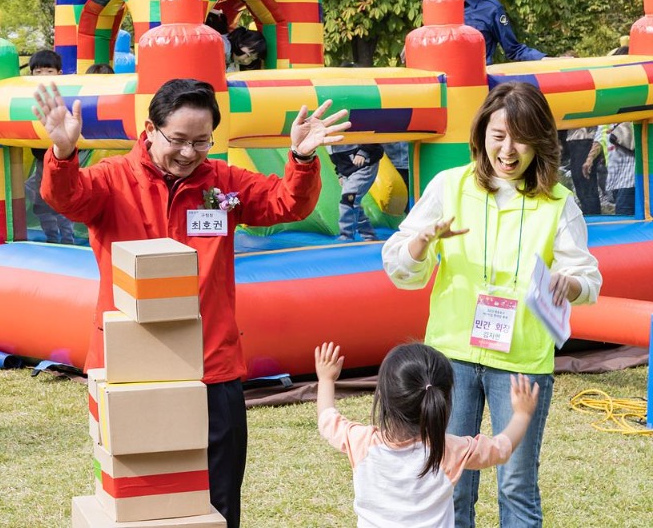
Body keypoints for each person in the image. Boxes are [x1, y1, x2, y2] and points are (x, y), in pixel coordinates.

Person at [32, 77, 350, 527]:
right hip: (129, 370)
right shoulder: (112, 180)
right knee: (142, 499)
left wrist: (300, 158)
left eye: (201, 142)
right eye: (177, 140)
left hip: (210, 366)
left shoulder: (222, 183)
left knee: (217, 498)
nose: (188, 153)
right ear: (149, 128)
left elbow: (286, 205)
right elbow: (65, 197)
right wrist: (63, 155)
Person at [382, 81, 602, 527]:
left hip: (522, 363)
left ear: (540, 141)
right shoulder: (449, 186)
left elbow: (588, 278)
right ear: (482, 132)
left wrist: (569, 284)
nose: (508, 149)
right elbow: (401, 270)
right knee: (452, 480)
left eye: (521, 137)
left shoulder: (560, 203)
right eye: (498, 135)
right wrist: (421, 244)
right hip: (451, 359)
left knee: (516, 484)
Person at [315, 341, 539, 528]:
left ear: (383, 397)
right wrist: (521, 415)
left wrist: (326, 379)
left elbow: (327, 419)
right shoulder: (449, 451)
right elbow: (501, 449)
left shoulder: (361, 442)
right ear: (443, 401)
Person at [25, 50, 76, 244]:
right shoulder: (28, 96)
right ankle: (52, 236)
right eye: (38, 72)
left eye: (49, 71)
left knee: (61, 199)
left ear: (59, 73)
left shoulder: (64, 96)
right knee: (40, 202)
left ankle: (68, 237)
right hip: (41, 159)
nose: (44, 76)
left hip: (62, 158)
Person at [584, 46, 635, 217]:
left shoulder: (638, 96)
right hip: (616, 173)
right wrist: (590, 158)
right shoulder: (611, 99)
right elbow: (602, 131)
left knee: (626, 218)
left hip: (632, 174)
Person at [463, 0, 546, 65]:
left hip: (477, 81)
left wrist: (545, 60)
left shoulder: (491, 8)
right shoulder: (449, 8)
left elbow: (513, 50)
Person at [328, 141, 383, 241]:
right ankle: (369, 235)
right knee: (352, 203)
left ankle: (346, 236)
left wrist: (364, 152)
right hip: (347, 171)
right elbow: (336, 158)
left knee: (348, 200)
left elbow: (373, 133)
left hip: (364, 165)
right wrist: (340, 173)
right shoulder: (326, 136)